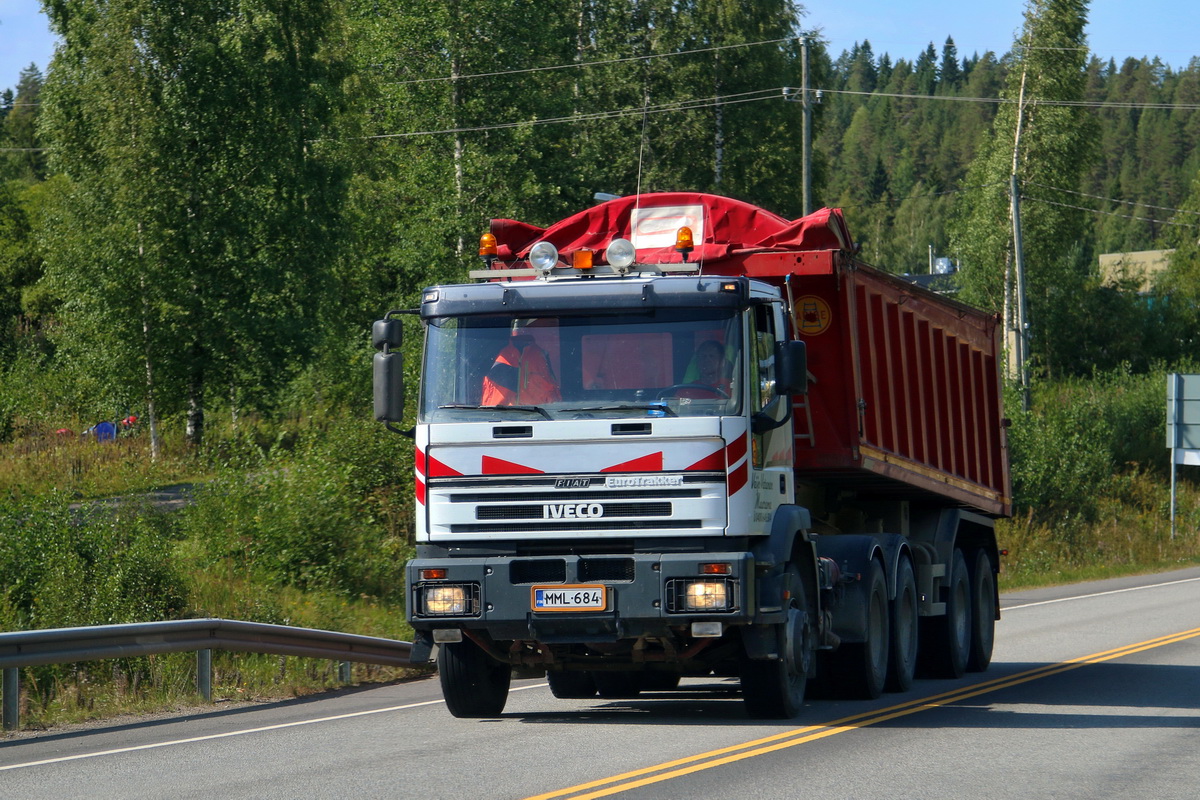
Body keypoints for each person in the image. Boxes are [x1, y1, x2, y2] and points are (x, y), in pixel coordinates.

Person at [481, 331, 561, 406]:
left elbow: (552, 391)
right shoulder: (499, 354)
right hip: (498, 417)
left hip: (539, 417)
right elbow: (488, 390)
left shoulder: (541, 356)